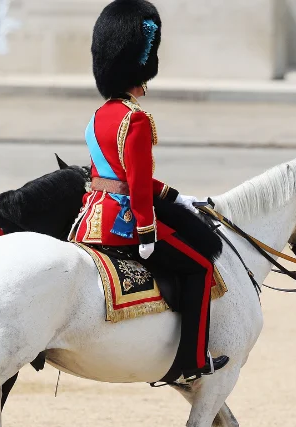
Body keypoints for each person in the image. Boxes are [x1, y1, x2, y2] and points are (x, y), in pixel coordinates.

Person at [70, 0, 228, 379]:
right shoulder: (135, 118)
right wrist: (145, 230)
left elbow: (111, 174)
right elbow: (137, 184)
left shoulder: (99, 116)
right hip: (124, 222)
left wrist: (176, 197)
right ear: (138, 73)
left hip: (92, 217)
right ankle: (191, 360)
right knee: (201, 266)